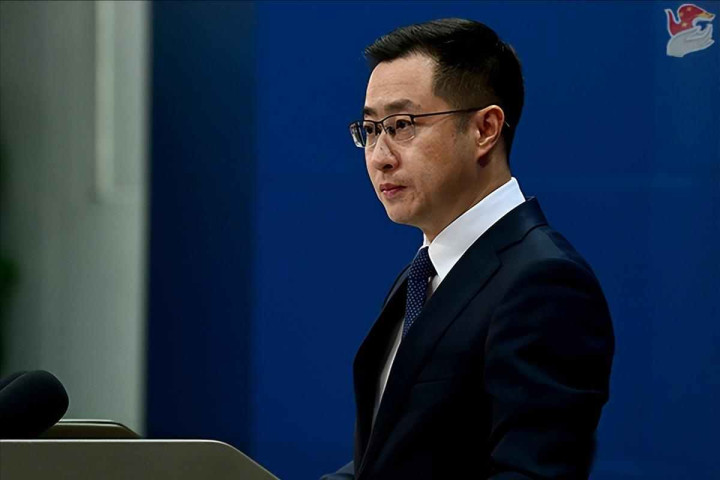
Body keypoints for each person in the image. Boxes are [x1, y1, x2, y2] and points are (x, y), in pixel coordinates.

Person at [323, 18, 614, 479]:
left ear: (485, 129)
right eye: (371, 129)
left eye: (401, 125)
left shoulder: (544, 281)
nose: (379, 156)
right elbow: (391, 458)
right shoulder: (424, 273)